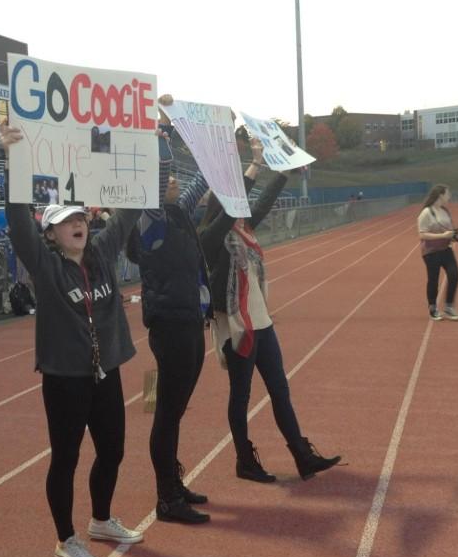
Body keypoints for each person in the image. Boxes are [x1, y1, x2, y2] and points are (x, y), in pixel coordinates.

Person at [1, 120, 144, 557]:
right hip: (65, 379)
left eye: (81, 217)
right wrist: (13, 160)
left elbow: (125, 215)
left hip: (106, 374)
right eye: (66, 222)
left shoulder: (101, 255)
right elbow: (18, 223)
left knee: (114, 449)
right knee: (66, 457)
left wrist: (139, 153)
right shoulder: (45, 266)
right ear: (51, 234)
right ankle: (66, 538)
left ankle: (101, 519)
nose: (78, 224)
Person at [199, 147, 342, 483]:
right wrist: (255, 163)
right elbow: (237, 204)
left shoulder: (244, 227)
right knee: (241, 395)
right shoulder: (210, 237)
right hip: (238, 327)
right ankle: (244, 460)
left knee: (279, 389)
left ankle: (302, 456)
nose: (242, 206)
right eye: (234, 201)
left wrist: (284, 171)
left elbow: (262, 202)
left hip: (261, 323)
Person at [125, 96, 212, 524]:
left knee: (175, 409)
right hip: (170, 325)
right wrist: (162, 132)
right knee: (165, 410)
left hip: (191, 321)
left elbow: (200, 179)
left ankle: (174, 484)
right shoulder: (153, 219)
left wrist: (210, 140)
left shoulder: (178, 214)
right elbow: (159, 183)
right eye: (167, 178)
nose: (176, 182)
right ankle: (166, 498)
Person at [417, 183, 458, 321]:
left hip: (446, 249)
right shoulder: (426, 213)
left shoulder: (445, 211)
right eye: (448, 193)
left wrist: (455, 237)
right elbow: (422, 235)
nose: (450, 196)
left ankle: (449, 306)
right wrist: (443, 236)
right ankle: (433, 308)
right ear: (440, 195)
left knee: (454, 275)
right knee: (433, 280)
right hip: (431, 252)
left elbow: (448, 230)